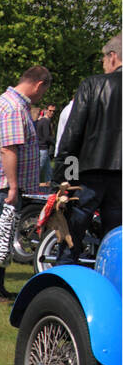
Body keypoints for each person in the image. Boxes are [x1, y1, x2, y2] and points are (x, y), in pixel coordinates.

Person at [0, 65, 51, 301]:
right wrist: (14, 186)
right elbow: (8, 149)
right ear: (39, 85)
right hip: (1, 185)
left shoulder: (8, 103)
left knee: (2, 237)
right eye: (44, 90)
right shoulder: (13, 108)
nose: (43, 95)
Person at [51, 33, 120, 265]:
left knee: (71, 236)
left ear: (113, 57)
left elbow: (73, 134)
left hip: (88, 176)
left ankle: (63, 284)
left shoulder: (92, 84)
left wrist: (64, 178)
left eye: (103, 59)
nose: (102, 64)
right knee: (117, 241)